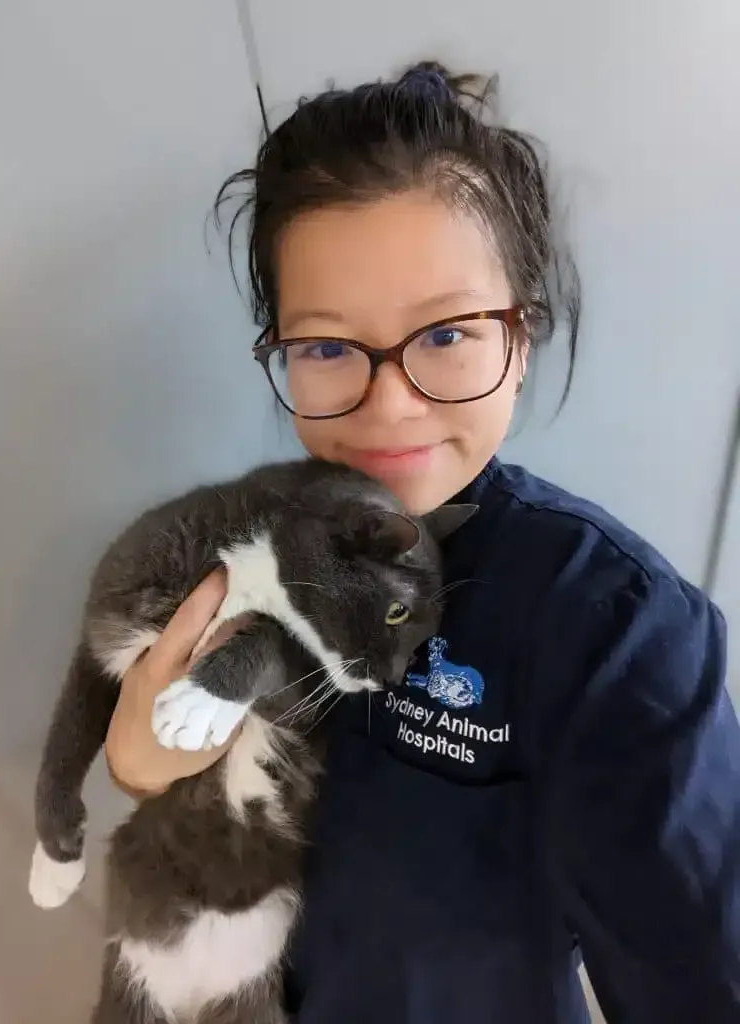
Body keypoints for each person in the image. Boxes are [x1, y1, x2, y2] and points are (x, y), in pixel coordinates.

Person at [104, 61, 740, 1022]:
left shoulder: (612, 629)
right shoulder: (247, 540)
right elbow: (147, 763)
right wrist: (140, 758)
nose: (388, 403)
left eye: (446, 334)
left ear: (521, 337)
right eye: (324, 347)